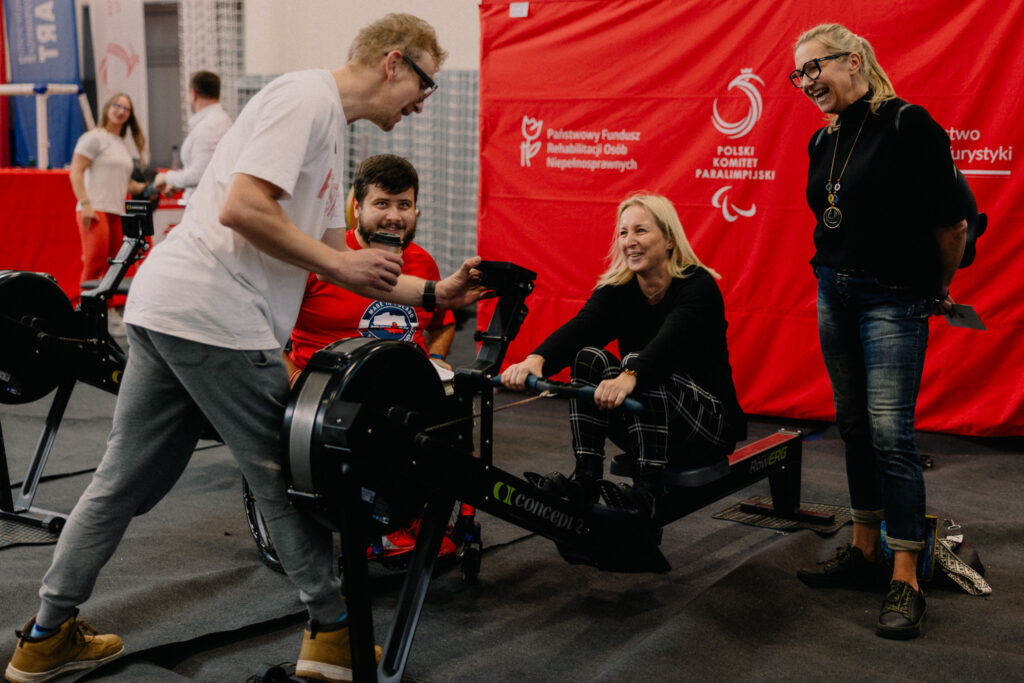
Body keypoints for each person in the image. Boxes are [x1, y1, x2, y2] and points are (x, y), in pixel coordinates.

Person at [5, 13, 484, 683]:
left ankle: (44, 636)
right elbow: (243, 208)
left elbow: (332, 255)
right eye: (425, 85)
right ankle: (334, 630)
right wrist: (342, 267)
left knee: (119, 482)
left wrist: (435, 294)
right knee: (284, 471)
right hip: (213, 314)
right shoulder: (306, 99)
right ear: (394, 63)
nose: (424, 103)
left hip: (171, 306)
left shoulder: (326, 126)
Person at [789, 24, 969, 640]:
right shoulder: (823, 139)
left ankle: (905, 574)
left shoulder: (908, 124)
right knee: (854, 427)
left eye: (816, 67)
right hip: (833, 293)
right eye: (800, 74)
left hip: (894, 298)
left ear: (856, 59)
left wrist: (936, 289)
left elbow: (954, 224)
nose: (808, 82)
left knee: (891, 435)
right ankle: (864, 548)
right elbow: (830, 214)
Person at [500, 193, 746, 514]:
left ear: (669, 239)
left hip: (705, 428)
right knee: (588, 357)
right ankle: (586, 480)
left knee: (637, 363)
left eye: (641, 231)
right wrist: (536, 361)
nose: (629, 240)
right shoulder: (620, 289)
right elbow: (582, 328)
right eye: (623, 232)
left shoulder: (697, 286)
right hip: (646, 421)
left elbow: (668, 344)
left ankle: (649, 491)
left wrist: (630, 376)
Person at [285, 153, 457, 557]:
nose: (394, 216)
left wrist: (437, 356)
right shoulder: (322, 259)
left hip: (402, 392)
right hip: (326, 395)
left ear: (416, 210)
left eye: (404, 205)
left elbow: (444, 321)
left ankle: (413, 517)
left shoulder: (421, 262)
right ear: (357, 207)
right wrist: (294, 379)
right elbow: (265, 335)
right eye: (382, 204)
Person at [68, 93, 148, 325]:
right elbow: (76, 172)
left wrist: (150, 186)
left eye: (126, 108)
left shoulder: (121, 144)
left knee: (115, 265)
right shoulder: (93, 138)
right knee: (95, 263)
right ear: (107, 108)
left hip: (115, 210)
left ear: (129, 116)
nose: (121, 110)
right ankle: (83, 317)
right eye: (117, 105)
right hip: (95, 208)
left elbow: (127, 184)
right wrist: (85, 204)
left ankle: (109, 312)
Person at [153, 70, 233, 205]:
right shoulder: (219, 121)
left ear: (193, 94)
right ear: (218, 93)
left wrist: (166, 177)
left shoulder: (208, 126)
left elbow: (199, 174)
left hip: (207, 209)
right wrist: (178, 183)